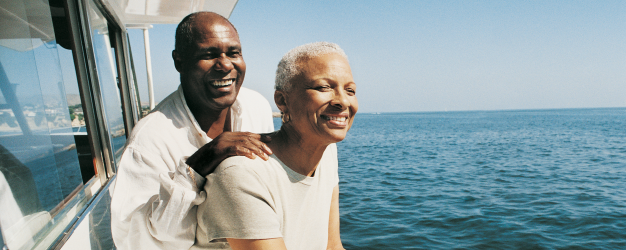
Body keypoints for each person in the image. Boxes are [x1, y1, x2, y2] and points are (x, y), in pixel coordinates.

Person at [110, 12, 276, 250]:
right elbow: (138, 242)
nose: (225, 64)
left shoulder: (256, 106)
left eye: (233, 52)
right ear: (179, 62)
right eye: (208, 55)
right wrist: (198, 164)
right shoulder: (149, 140)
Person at [194, 42, 357, 250]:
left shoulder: (327, 152)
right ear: (282, 100)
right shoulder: (242, 174)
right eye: (323, 87)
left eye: (350, 90)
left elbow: (333, 246)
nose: (343, 101)